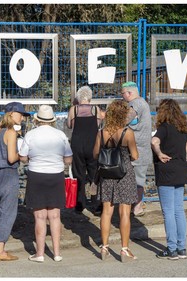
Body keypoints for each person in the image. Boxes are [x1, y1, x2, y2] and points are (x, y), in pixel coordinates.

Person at [19, 105, 73, 263]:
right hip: (56, 176)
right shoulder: (60, 135)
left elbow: (22, 157)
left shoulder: (30, 134)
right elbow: (68, 158)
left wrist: (31, 159)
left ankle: (40, 253)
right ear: (52, 120)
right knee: (55, 216)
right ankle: (57, 253)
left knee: (40, 217)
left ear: (37, 119)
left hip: (36, 175)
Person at [151, 99, 187, 260]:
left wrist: (158, 153)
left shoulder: (164, 128)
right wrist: (184, 150)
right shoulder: (183, 128)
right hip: (181, 170)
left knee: (168, 212)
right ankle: (181, 248)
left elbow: (154, 141)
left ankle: (171, 249)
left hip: (166, 172)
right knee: (179, 210)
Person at [93, 100, 139, 262]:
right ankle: (124, 249)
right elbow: (135, 156)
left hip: (106, 173)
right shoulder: (128, 132)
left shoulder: (101, 132)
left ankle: (104, 247)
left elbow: (95, 154)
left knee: (107, 211)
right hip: (124, 173)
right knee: (124, 212)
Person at [0, 102, 30, 262]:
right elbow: (12, 158)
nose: (23, 118)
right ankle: (0, 251)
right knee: (7, 214)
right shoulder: (11, 132)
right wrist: (22, 155)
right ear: (11, 114)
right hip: (8, 176)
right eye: (21, 114)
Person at [66, 86, 104, 214]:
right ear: (90, 97)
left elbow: (69, 125)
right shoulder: (95, 109)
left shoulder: (73, 110)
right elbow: (98, 125)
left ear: (78, 97)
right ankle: (96, 203)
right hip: (93, 144)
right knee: (94, 174)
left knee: (78, 173)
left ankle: (79, 203)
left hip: (77, 144)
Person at [121, 81, 152, 217]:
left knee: (138, 179)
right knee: (138, 179)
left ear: (129, 93)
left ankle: (136, 207)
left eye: (123, 94)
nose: (122, 97)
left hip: (138, 149)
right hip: (140, 148)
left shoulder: (136, 104)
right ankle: (136, 205)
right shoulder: (142, 103)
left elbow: (125, 119)